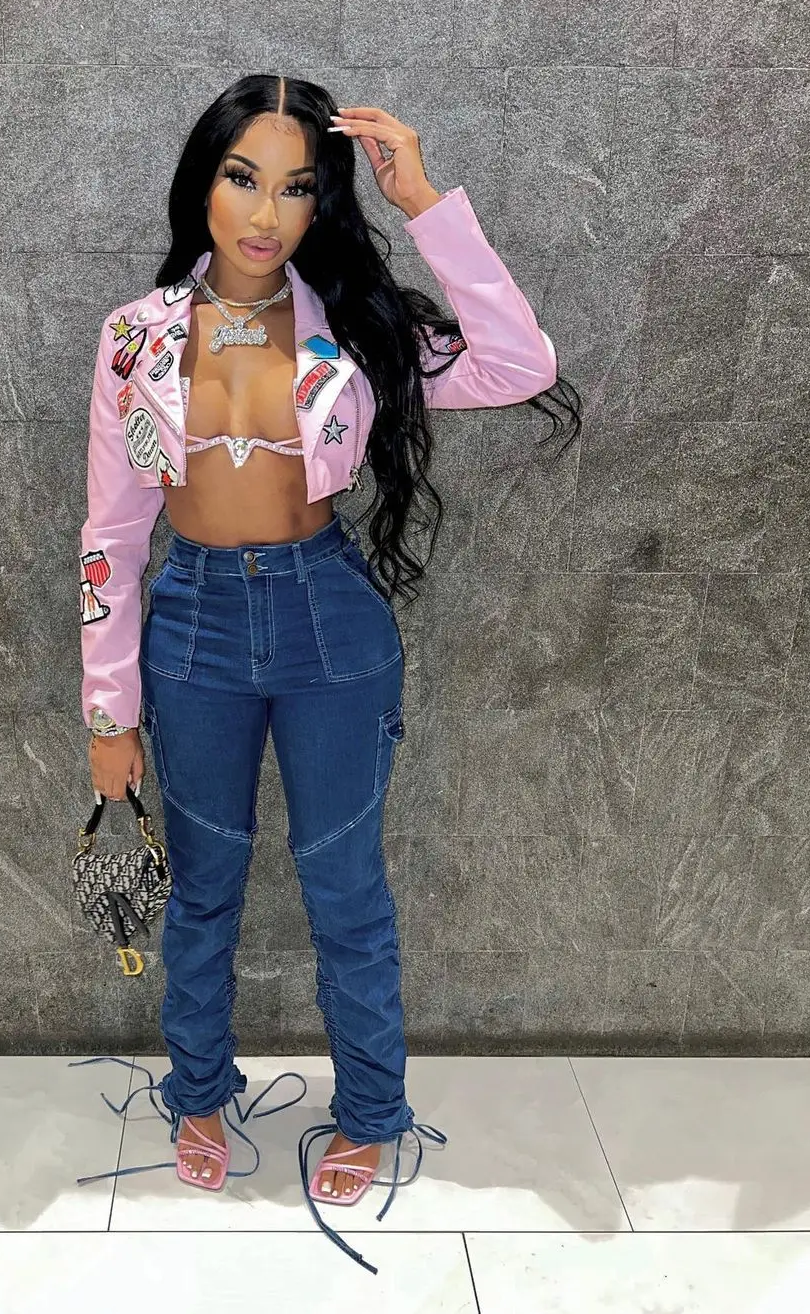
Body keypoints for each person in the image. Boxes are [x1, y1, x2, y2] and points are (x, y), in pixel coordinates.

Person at [74, 73, 581, 1276]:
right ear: (203, 180)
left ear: (323, 205)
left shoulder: (353, 328)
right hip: (191, 626)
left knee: (345, 887)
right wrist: (108, 710)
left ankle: (369, 1110)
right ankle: (199, 1092)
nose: (266, 213)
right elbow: (112, 534)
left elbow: (518, 362)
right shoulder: (136, 336)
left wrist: (425, 203)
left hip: (328, 622)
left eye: (298, 187)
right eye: (243, 177)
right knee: (204, 888)